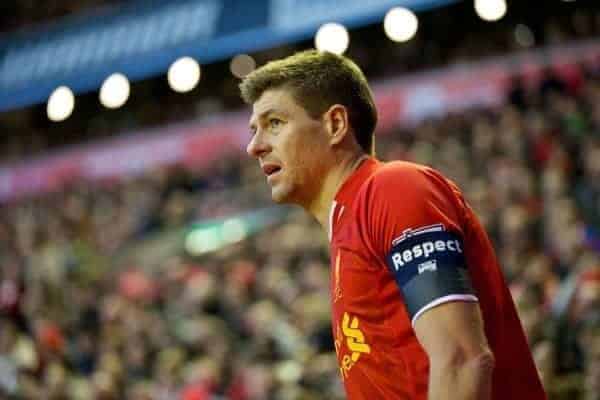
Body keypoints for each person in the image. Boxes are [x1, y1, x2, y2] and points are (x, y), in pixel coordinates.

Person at [240, 49, 546, 400]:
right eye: (254, 130)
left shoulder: (390, 188)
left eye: (274, 123)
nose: (254, 147)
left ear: (335, 124)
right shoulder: (346, 228)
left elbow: (462, 359)